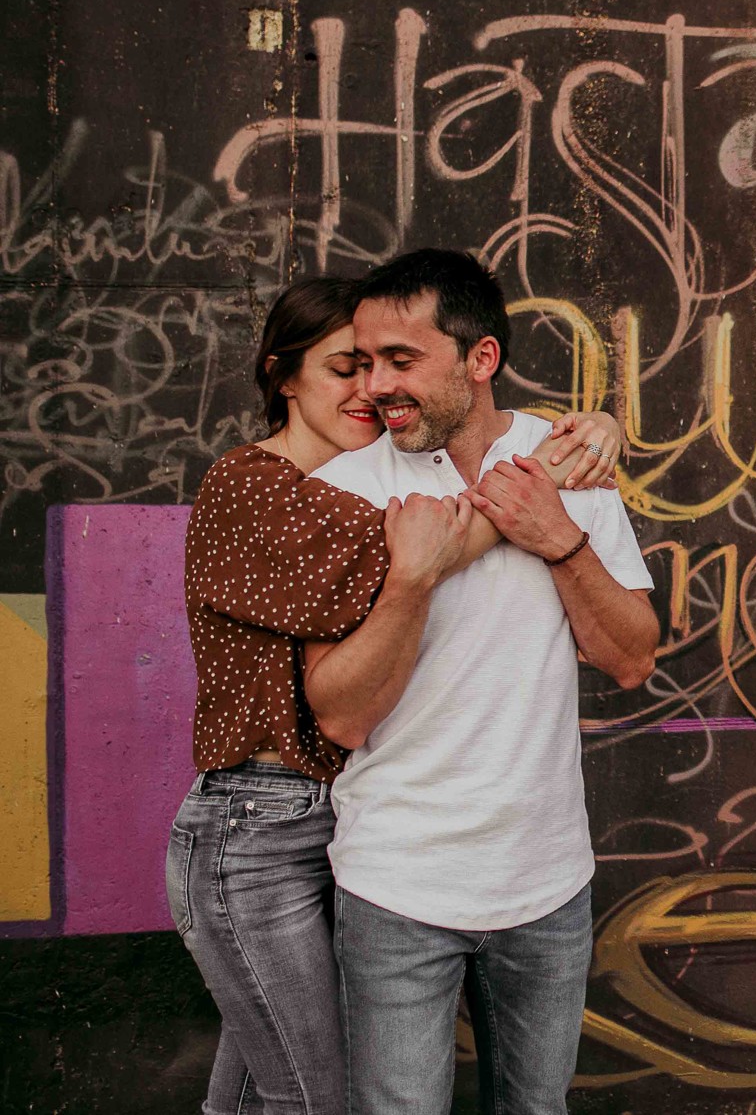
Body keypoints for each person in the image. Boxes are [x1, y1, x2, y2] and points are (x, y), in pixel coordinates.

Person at [170, 275, 624, 1115]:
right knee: (313, 1098)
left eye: (381, 364)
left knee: (254, 1090)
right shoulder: (257, 487)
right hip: (256, 825)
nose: (370, 388)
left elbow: (455, 457)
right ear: (282, 376)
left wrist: (587, 431)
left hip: (326, 815)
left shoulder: (342, 484)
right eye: (346, 367)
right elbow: (425, 552)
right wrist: (545, 477)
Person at [303, 249, 660, 1114]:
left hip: (546, 882)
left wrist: (560, 539)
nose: (377, 386)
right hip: (397, 884)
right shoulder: (345, 490)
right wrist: (411, 581)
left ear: (481, 359)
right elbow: (342, 715)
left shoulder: (567, 464)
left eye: (402, 360)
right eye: (364, 360)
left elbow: (632, 657)